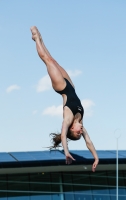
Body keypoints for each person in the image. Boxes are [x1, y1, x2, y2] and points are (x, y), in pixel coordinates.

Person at [30, 26, 99, 172]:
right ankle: (41, 40)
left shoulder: (68, 119)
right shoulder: (81, 122)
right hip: (71, 86)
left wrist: (66, 152)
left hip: (61, 87)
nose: (81, 131)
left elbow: (63, 135)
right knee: (54, 61)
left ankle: (36, 39)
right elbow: (89, 142)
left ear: (72, 129)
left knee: (47, 61)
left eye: (77, 133)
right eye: (81, 132)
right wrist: (96, 157)